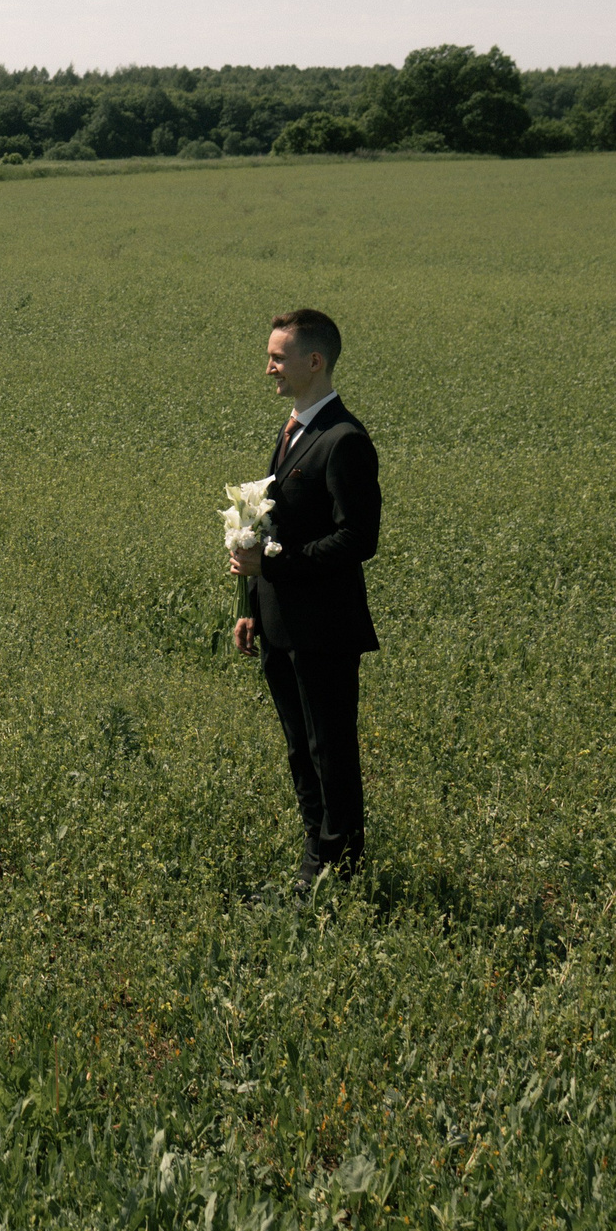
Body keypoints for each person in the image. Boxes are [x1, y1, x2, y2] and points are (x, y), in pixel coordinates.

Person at [230, 310, 381, 892]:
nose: (268, 366)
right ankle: (314, 863)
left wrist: (274, 565)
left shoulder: (344, 440)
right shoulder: (294, 429)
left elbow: (357, 538)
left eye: (277, 356)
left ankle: (338, 874)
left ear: (313, 361)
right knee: (301, 749)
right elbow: (268, 530)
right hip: (280, 622)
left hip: (324, 627)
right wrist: (249, 604)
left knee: (330, 751)